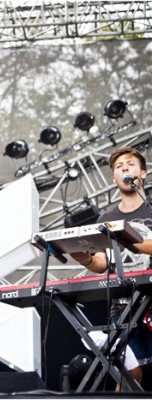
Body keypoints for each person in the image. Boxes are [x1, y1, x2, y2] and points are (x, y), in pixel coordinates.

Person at [71, 146, 152, 387]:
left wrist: (132, 243)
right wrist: (85, 258)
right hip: (124, 308)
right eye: (119, 166)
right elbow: (103, 263)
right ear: (114, 178)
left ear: (144, 173)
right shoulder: (105, 219)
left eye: (130, 164)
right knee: (129, 374)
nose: (124, 167)